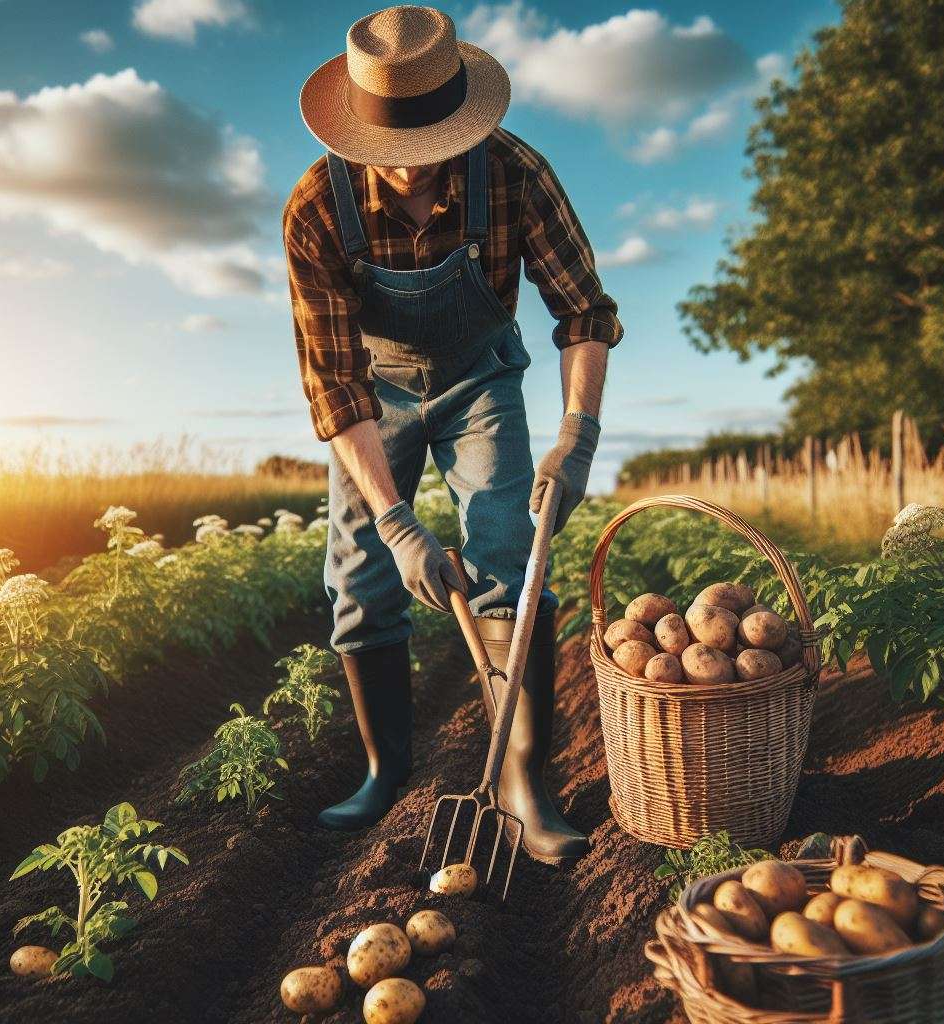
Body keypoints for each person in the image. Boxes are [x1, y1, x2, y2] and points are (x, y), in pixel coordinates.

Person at [283, 5, 622, 863]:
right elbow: (334, 385)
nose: (414, 174)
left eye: (432, 148)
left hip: (481, 376)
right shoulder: (318, 209)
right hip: (374, 395)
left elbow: (583, 310)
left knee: (512, 552)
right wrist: (398, 526)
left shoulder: (513, 174)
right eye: (393, 155)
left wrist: (577, 435)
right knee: (360, 572)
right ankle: (383, 769)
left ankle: (522, 786)